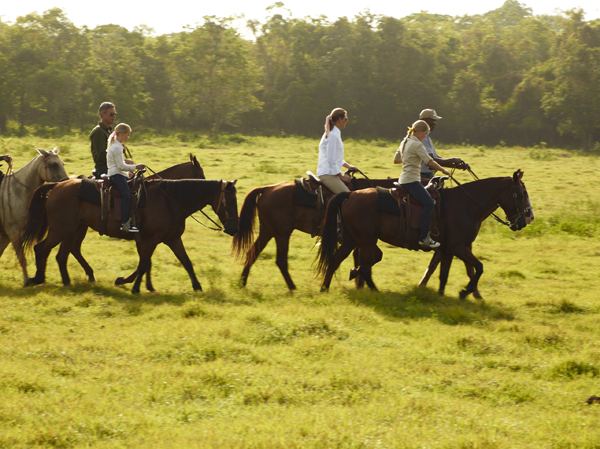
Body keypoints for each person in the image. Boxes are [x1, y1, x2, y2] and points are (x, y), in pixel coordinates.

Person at [394, 120, 450, 249]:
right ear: (419, 132)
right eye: (425, 133)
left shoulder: (405, 141)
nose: (426, 136)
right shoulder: (417, 145)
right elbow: (429, 162)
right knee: (429, 203)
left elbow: (396, 160)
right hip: (412, 181)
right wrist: (444, 170)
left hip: (403, 179)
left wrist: (409, 157)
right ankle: (424, 238)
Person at [107, 123, 145, 232]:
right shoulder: (117, 147)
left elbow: (119, 163)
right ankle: (124, 223)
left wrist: (128, 165)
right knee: (126, 195)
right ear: (122, 133)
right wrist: (135, 167)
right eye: (127, 135)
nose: (128, 137)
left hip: (119, 174)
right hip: (117, 175)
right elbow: (120, 166)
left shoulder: (116, 145)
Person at [316, 108, 359, 194]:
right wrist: (341, 176)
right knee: (348, 196)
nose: (346, 121)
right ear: (340, 119)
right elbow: (331, 159)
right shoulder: (332, 135)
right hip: (327, 174)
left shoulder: (334, 133)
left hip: (330, 173)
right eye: (345, 119)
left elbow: (335, 157)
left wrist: (349, 166)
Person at [418, 109, 470, 179]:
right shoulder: (422, 138)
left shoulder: (426, 137)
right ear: (426, 120)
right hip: (422, 176)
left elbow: (436, 158)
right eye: (433, 120)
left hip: (428, 175)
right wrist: (453, 160)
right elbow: (432, 161)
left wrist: (455, 165)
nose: (435, 123)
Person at [90, 102, 117, 179]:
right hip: (104, 169)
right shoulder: (98, 132)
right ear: (103, 115)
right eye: (111, 114)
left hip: (113, 167)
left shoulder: (110, 131)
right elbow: (102, 155)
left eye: (115, 114)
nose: (114, 116)